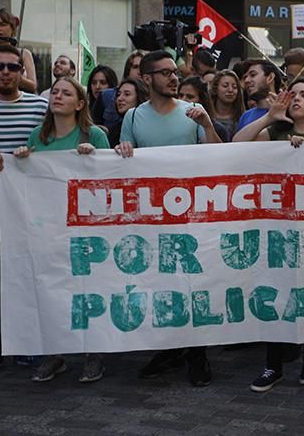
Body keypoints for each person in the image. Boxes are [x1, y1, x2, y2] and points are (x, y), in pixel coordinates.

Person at [115, 50, 223, 387]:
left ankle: (197, 354)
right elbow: (123, 162)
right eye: (164, 73)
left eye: (174, 71)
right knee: (160, 284)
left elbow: (220, 158)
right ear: (146, 79)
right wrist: (122, 152)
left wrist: (206, 124)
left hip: (190, 215)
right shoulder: (133, 117)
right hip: (152, 217)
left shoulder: (194, 113)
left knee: (192, 283)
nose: (173, 77)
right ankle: (170, 348)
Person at [232, 78, 304, 392]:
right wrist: (268, 117)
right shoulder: (275, 133)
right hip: (278, 230)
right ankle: (272, 365)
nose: (298, 99)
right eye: (293, 94)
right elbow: (237, 145)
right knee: (275, 292)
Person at [11, 77, 110, 383]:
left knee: (88, 290)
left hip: (84, 228)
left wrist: (92, 158)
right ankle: (55, 353)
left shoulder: (93, 134)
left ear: (80, 104)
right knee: (53, 288)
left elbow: (110, 178)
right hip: (49, 229)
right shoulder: (38, 136)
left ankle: (94, 353)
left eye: (66, 93)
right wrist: (21, 161)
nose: (58, 96)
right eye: (55, 92)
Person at [0, 45, 48, 378]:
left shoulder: (40, 106)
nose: (5, 72)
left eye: (11, 67)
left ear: (21, 71)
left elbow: (54, 147)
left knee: (28, 277)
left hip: (29, 207)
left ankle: (27, 346)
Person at [92, 50, 144, 128]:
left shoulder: (155, 100)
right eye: (136, 67)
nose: (140, 71)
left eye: (144, 67)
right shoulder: (107, 96)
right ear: (128, 70)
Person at [178, 76, 230, 143]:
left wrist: (208, 127)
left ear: (202, 100)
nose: (183, 100)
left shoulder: (218, 129)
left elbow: (220, 152)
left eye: (190, 97)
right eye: (180, 95)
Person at [237, 59, 284, 130]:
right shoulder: (245, 116)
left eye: (253, 75)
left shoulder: (289, 111)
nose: (246, 81)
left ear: (270, 77)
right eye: (245, 77)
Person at [106, 78, 149, 148]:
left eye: (127, 94)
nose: (120, 98)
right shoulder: (114, 130)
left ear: (139, 96)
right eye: (118, 94)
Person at [209, 70, 245, 139]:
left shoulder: (243, 118)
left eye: (234, 87)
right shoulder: (206, 116)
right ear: (215, 89)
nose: (230, 90)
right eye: (225, 86)